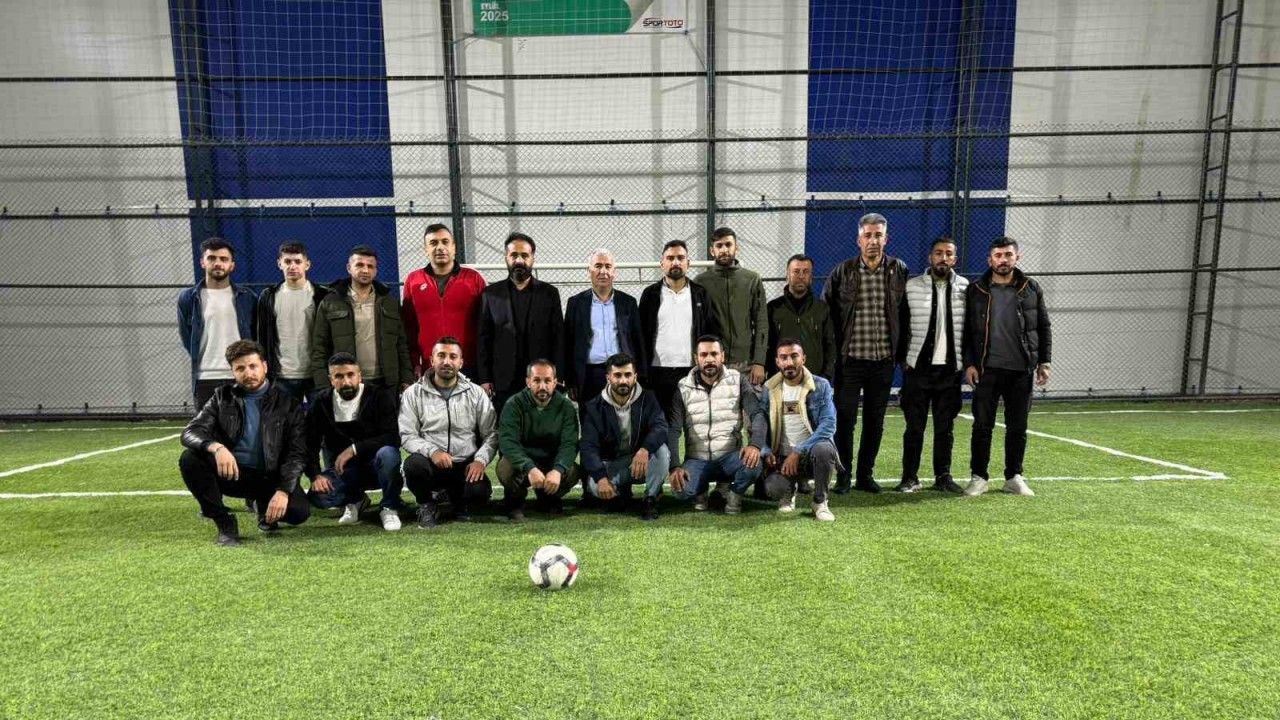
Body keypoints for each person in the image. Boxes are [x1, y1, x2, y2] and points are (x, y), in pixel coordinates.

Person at [178, 340, 310, 545]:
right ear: (233, 372)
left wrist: (283, 490)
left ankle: (263, 504)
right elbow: (190, 431)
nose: (248, 373)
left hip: (270, 477)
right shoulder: (222, 397)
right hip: (233, 473)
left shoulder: (288, 403)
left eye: (253, 366)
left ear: (264, 366)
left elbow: (297, 453)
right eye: (240, 368)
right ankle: (224, 523)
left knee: (298, 512)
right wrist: (217, 448)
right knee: (190, 459)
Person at [821, 212, 908, 494]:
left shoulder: (899, 270)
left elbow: (905, 315)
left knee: (875, 421)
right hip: (850, 362)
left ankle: (865, 475)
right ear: (858, 240)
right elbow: (826, 315)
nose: (873, 241)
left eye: (878, 235)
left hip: (883, 362)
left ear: (886, 239)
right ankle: (843, 476)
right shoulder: (842, 272)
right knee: (844, 421)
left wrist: (901, 355)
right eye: (867, 235)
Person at [963, 236, 1052, 497]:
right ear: (990, 259)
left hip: (1021, 370)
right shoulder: (976, 290)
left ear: (1017, 257)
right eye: (998, 255)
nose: (1003, 260)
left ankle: (1014, 477)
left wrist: (1044, 361)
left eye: (1008, 255)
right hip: (986, 370)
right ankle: (979, 477)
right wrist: (969, 363)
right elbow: (966, 331)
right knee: (982, 426)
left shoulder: (1031, 288)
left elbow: (1043, 326)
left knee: (1017, 427)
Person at [400, 336, 498, 528]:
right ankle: (427, 504)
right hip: (431, 463)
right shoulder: (413, 393)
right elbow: (407, 435)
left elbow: (492, 434)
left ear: (461, 362)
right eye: (441, 356)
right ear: (432, 360)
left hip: (464, 464)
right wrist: (433, 451)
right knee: (412, 466)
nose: (447, 361)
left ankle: (455, 500)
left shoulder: (476, 393)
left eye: (453, 357)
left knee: (480, 493)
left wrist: (480, 460)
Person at [895, 237, 968, 494]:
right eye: (938, 253)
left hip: (949, 372)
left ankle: (943, 477)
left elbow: (970, 329)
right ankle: (909, 477)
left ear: (954, 259)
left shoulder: (965, 288)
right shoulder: (912, 286)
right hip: (918, 370)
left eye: (948, 253)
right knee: (914, 428)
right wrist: (903, 361)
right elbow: (901, 325)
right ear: (930, 257)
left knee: (945, 429)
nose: (943, 258)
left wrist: (965, 363)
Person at [666, 335, 766, 514]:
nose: (709, 359)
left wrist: (755, 445)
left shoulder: (738, 380)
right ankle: (700, 490)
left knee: (754, 464)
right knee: (680, 490)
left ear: (723, 356)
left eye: (714, 354)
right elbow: (673, 430)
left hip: (730, 457)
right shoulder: (683, 387)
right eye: (704, 355)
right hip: (697, 459)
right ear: (696, 358)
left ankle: (734, 494)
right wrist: (675, 467)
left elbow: (757, 414)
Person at [305, 352, 404, 531]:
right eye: (339, 376)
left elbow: (392, 437)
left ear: (359, 376)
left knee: (388, 454)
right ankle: (356, 500)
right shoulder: (321, 402)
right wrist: (315, 475)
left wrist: (354, 449)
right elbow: (310, 443)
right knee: (318, 496)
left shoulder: (379, 396)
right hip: (346, 471)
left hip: (377, 466)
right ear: (331, 379)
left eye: (350, 375)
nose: (346, 382)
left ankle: (389, 507)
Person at [476, 232, 564, 417]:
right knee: (506, 429)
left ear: (533, 258)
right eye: (514, 255)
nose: (519, 260)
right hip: (503, 381)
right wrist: (485, 378)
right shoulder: (490, 294)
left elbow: (558, 338)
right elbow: (484, 339)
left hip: (540, 381)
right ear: (506, 258)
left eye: (524, 255)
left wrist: (558, 377)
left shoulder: (549, 294)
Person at [310, 245, 413, 393]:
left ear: (375, 271)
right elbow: (319, 348)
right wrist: (323, 385)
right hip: (347, 383)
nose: (365, 270)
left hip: (386, 383)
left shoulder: (389, 303)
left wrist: (406, 379)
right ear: (349, 268)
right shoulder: (330, 302)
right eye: (359, 265)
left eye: (370, 266)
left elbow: (402, 345)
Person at [579, 353, 670, 521]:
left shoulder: (648, 398)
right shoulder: (594, 407)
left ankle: (650, 498)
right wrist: (601, 479)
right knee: (594, 485)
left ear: (635, 376)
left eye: (628, 375)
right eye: (617, 375)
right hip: (614, 464)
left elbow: (661, 427)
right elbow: (588, 447)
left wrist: (644, 450)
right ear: (608, 377)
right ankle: (618, 495)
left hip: (640, 461)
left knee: (662, 452)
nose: (623, 380)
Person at [638, 240, 719, 421]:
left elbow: (710, 332)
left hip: (692, 371)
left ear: (688, 263)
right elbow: (640, 335)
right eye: (670, 258)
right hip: (658, 372)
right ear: (662, 264)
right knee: (660, 425)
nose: (675, 262)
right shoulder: (649, 294)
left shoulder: (701, 294)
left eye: (680, 258)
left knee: (694, 424)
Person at [760, 339, 839, 521]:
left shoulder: (821, 385)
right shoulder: (769, 388)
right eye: (784, 357)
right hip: (782, 457)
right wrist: (766, 449)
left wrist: (798, 451)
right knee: (773, 489)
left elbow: (828, 424)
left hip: (810, 453)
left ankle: (820, 502)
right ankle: (788, 492)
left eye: (794, 356)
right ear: (777, 362)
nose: (789, 362)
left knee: (825, 449)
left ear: (803, 358)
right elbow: (761, 423)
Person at [177, 237, 256, 410]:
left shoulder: (248, 297)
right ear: (202, 262)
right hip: (205, 377)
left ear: (232, 265)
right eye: (212, 258)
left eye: (223, 259)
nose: (218, 263)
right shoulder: (188, 298)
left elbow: (256, 336)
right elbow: (187, 337)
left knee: (244, 426)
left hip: (241, 376)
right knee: (207, 426)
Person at [495, 360, 579, 522]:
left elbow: (569, 443)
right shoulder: (513, 404)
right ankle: (515, 501)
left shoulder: (566, 406)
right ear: (528, 382)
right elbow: (508, 442)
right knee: (505, 468)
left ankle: (548, 497)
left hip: (551, 461)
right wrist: (530, 468)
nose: (542, 386)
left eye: (547, 381)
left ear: (555, 382)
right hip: (523, 462)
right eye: (536, 380)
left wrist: (558, 470)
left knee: (572, 471)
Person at [401, 223, 487, 377]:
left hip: (468, 366)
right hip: (429, 366)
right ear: (426, 249)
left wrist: (484, 368)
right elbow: (409, 329)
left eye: (445, 242)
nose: (440, 247)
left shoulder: (474, 279)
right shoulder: (413, 281)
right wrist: (414, 363)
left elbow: (485, 327)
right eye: (433, 243)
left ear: (454, 247)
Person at [562, 248, 646, 405]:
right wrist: (570, 381)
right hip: (589, 375)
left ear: (614, 272)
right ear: (589, 270)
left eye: (608, 266)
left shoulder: (628, 302)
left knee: (622, 418)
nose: (603, 271)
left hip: (621, 374)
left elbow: (638, 341)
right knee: (590, 418)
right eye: (598, 266)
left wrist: (641, 375)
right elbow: (568, 343)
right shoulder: (576, 303)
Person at [693, 227, 768, 387]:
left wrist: (759, 362)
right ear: (712, 251)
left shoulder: (752, 279)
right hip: (713, 363)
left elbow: (761, 322)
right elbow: (696, 326)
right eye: (719, 246)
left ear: (736, 248)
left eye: (728, 244)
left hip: (746, 363)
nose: (724, 250)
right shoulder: (700, 282)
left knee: (750, 403)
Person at [255, 241, 327, 401]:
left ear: (307, 265)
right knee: (283, 418)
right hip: (281, 376)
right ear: (279, 264)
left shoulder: (322, 296)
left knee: (320, 417)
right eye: (287, 261)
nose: (292, 266)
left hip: (316, 375)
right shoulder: (268, 297)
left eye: (297, 261)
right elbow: (262, 337)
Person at [766, 253, 837, 381]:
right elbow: (766, 344)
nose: (801, 276)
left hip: (814, 380)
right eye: (796, 271)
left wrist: (826, 375)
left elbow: (830, 345)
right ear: (787, 276)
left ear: (811, 277)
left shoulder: (822, 309)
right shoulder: (773, 308)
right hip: (780, 380)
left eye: (805, 272)